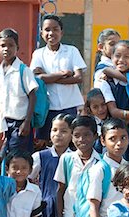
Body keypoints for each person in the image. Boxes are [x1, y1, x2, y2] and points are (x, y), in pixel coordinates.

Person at [30, 15, 86, 147]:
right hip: (48, 108)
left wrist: (49, 78)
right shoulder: (38, 54)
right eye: (47, 30)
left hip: (70, 106)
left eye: (55, 29)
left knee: (72, 143)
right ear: (41, 33)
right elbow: (38, 78)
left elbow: (78, 78)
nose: (51, 33)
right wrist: (63, 74)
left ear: (61, 32)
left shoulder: (72, 51)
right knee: (45, 144)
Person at [96, 40, 129, 159]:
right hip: (114, 131)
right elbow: (114, 111)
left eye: (126, 57)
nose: (121, 60)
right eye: (117, 56)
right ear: (111, 57)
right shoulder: (106, 82)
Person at [0, 28, 38, 157]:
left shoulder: (23, 70)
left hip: (20, 124)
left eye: (10, 45)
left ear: (17, 47)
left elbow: (32, 96)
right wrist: (2, 125)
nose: (6, 49)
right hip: (7, 124)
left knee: (17, 159)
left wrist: (27, 122)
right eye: (3, 45)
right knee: (5, 158)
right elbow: (1, 101)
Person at [84, 88, 109, 154]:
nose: (100, 109)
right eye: (95, 107)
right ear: (89, 109)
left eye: (103, 104)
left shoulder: (112, 121)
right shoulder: (88, 124)